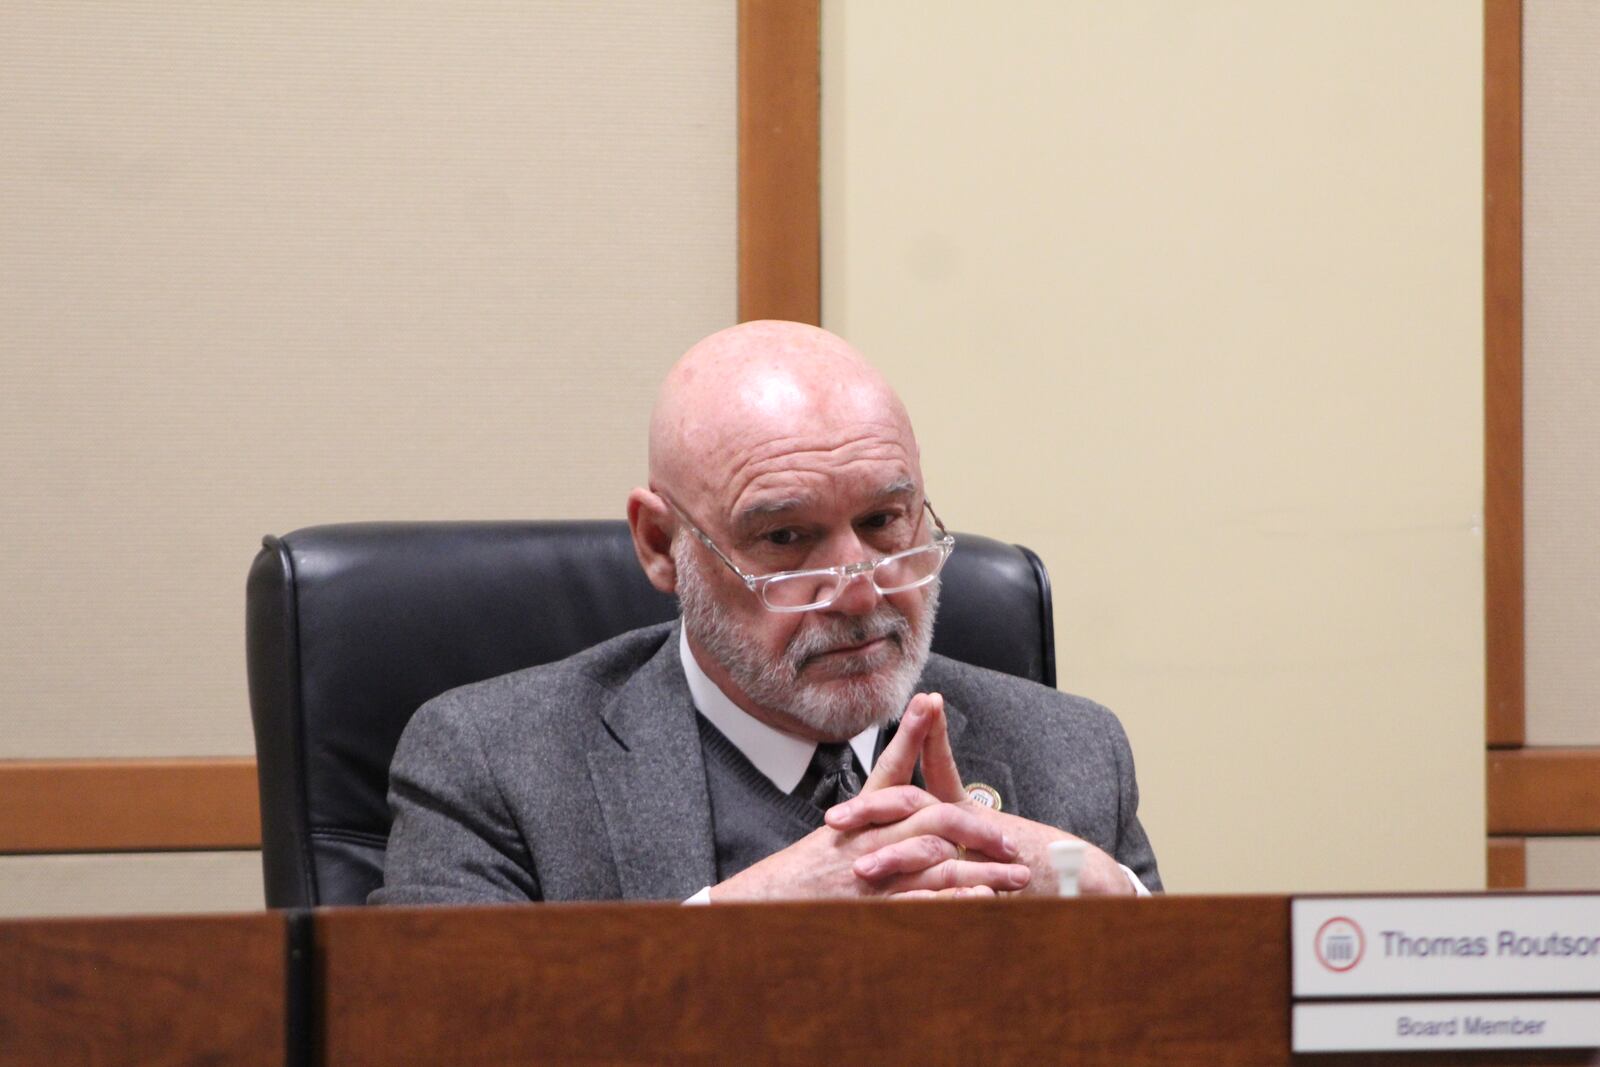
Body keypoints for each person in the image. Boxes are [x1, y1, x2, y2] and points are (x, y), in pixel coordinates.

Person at [373, 321, 1159, 905]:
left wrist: (1121, 910)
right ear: (659, 543)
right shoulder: (494, 764)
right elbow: (433, 1033)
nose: (859, 592)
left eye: (887, 522)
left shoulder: (1072, 754)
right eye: (786, 537)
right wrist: (737, 931)